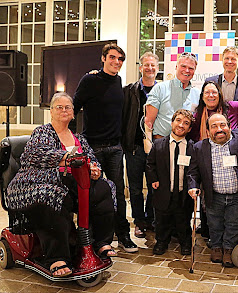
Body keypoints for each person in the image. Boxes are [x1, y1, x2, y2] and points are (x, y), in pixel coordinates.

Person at [6, 93, 116, 277]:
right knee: (54, 196)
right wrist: (67, 158)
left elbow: (92, 160)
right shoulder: (42, 132)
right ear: (51, 112)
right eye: (59, 107)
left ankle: (101, 243)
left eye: (68, 107)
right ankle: (57, 257)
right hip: (36, 184)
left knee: (105, 187)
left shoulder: (79, 138)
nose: (64, 110)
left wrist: (95, 170)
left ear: (73, 113)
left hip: (73, 184)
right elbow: (34, 154)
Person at [73, 43, 138, 253]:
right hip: (92, 148)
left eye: (120, 59)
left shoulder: (118, 81)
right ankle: (94, 239)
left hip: (115, 149)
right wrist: (73, 141)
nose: (116, 62)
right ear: (103, 58)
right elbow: (73, 108)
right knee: (95, 194)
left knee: (118, 194)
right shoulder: (89, 80)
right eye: (112, 57)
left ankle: (123, 236)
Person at [188, 113, 238, 267]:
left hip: (237, 195)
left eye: (222, 125)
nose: (219, 129)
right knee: (214, 223)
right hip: (213, 195)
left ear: (229, 126)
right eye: (214, 126)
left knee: (234, 223)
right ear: (208, 131)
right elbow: (193, 172)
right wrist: (193, 186)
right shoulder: (199, 147)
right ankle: (216, 246)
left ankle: (229, 249)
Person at [146, 109, 195, 256]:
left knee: (183, 219)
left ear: (190, 128)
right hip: (163, 191)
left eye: (186, 123)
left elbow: (194, 169)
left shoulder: (192, 147)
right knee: (162, 219)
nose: (181, 125)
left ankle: (185, 242)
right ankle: (161, 241)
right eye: (178, 121)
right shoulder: (159, 144)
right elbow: (150, 163)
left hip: (182, 192)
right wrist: (153, 178)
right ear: (172, 122)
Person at [122, 52, 158, 238]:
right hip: (134, 147)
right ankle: (139, 221)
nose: (149, 68)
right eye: (146, 65)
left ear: (157, 69)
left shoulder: (162, 90)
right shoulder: (129, 90)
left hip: (155, 148)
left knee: (154, 185)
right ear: (140, 67)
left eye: (153, 65)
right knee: (135, 188)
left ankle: (151, 219)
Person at [145, 52, 200, 139]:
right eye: (183, 66)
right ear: (176, 66)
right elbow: (148, 122)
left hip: (186, 146)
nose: (187, 71)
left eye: (191, 68)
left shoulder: (197, 94)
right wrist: (149, 146)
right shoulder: (160, 88)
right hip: (161, 144)